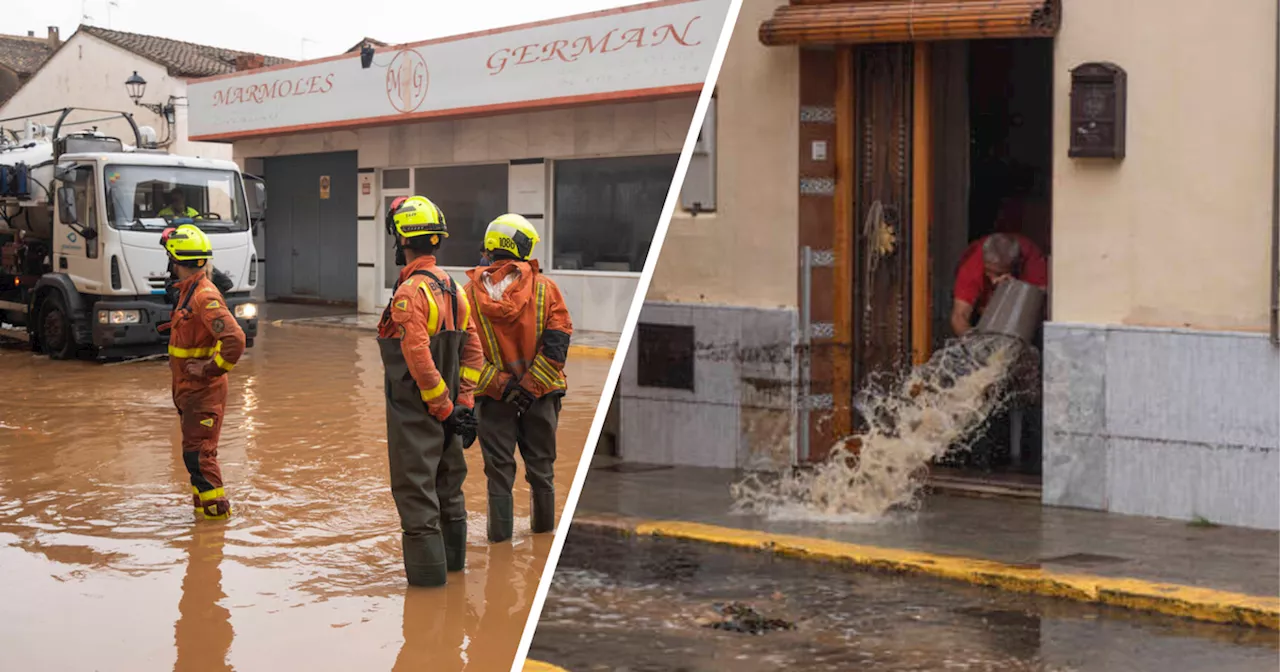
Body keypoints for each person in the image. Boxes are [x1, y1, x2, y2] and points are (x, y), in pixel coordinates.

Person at [377, 195, 485, 587]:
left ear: (403, 240)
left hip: (418, 412)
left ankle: (428, 592)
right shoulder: (455, 289)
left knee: (416, 494)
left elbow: (418, 355)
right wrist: (464, 402)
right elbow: (474, 349)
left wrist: (441, 406)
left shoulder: (410, 294)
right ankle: (454, 575)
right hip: (451, 411)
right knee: (449, 487)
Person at [464, 214, 572, 543]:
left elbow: (465, 356)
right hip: (542, 398)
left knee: (498, 477)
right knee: (542, 472)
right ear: (522, 246)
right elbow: (557, 346)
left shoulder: (466, 294)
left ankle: (500, 547)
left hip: (494, 402)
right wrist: (529, 388)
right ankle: (543, 540)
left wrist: (505, 388)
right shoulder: (545, 289)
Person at [159, 224, 245, 520]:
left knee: (200, 457)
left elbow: (235, 340)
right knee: (194, 457)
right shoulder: (189, 291)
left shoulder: (203, 297)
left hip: (202, 391)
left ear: (175, 260)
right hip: (189, 392)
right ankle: (203, 520)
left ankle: (215, 525)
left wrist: (210, 369)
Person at [950, 232, 1048, 337]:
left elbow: (1041, 304)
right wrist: (976, 344)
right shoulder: (971, 265)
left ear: (1014, 266)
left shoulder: (1032, 259)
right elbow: (959, 316)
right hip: (981, 310)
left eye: (999, 273)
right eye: (988, 271)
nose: (993, 280)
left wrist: (1014, 287)